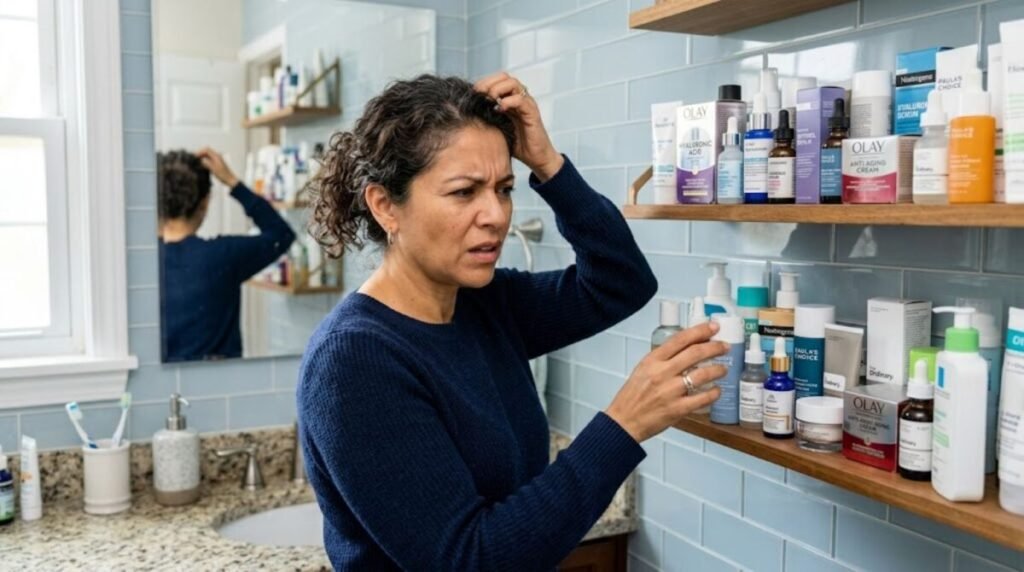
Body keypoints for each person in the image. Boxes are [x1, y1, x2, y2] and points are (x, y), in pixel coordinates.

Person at [297, 72, 728, 570]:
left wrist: (547, 164)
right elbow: (469, 559)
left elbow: (621, 282)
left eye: (503, 189)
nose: (495, 215)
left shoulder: (483, 303)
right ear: (385, 206)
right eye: (464, 192)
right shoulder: (355, 361)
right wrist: (624, 424)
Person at [158, 148, 295, 361]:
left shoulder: (142, 263)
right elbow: (281, 234)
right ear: (204, 203)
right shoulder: (222, 257)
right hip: (222, 386)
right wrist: (232, 182)